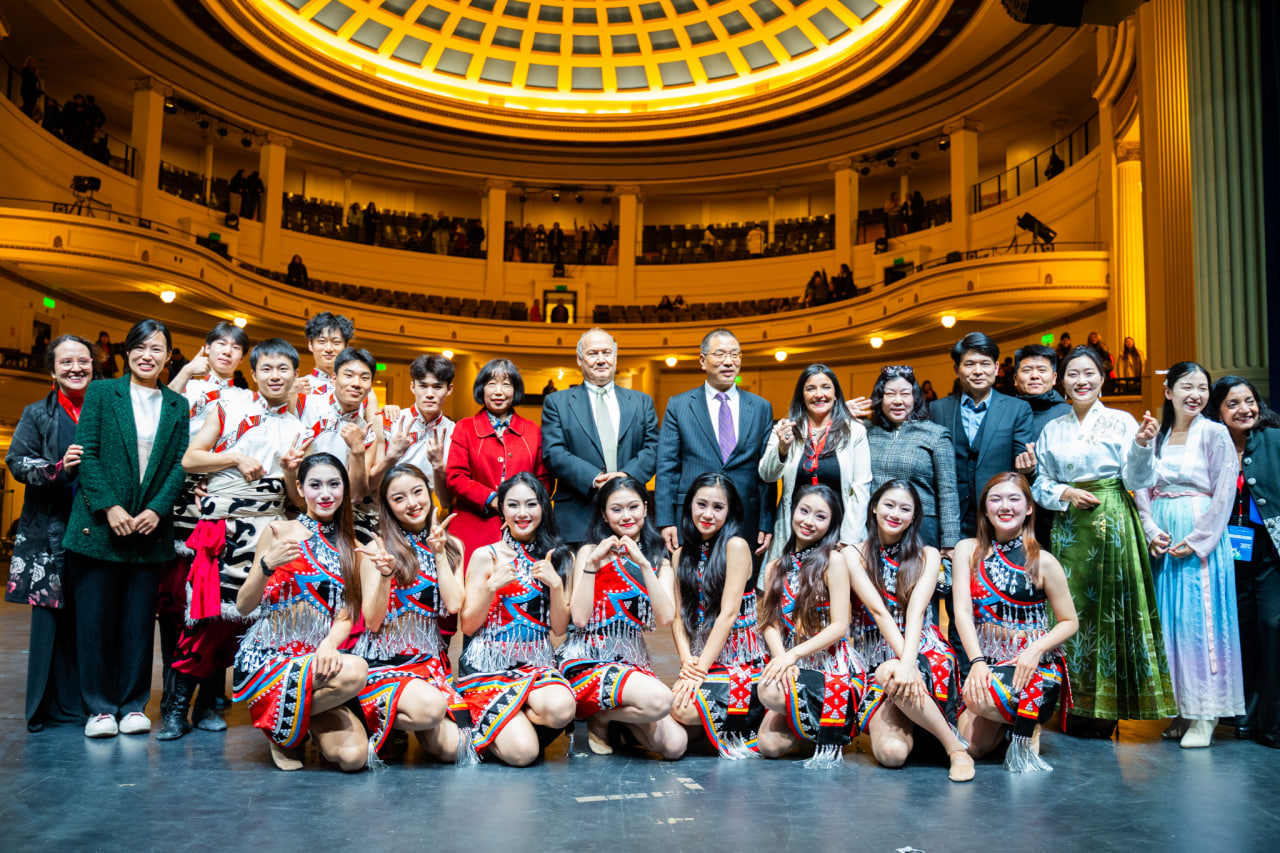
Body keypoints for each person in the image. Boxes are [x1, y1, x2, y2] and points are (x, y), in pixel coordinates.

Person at [160, 339, 303, 740]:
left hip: (268, 531)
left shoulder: (298, 427)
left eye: (283, 369)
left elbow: (294, 500)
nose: (276, 376)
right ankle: (175, 710)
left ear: (294, 375)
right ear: (254, 374)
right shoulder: (230, 408)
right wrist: (236, 458)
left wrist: (292, 473)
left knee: (243, 624)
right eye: (268, 369)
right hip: (222, 529)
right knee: (203, 621)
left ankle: (208, 706)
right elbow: (190, 459)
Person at [1031, 345, 1173, 737]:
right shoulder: (1053, 429)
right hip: (1070, 528)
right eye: (1073, 374)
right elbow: (1040, 482)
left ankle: (1107, 705)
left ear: (1103, 377)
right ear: (1061, 381)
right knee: (1067, 612)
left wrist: (1143, 444)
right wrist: (1064, 493)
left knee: (1110, 612)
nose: (1081, 381)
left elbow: (1138, 480)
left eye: (1089, 373)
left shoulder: (1123, 421)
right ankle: (1069, 704)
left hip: (1112, 523)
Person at [64, 319, 189, 738]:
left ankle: (133, 704)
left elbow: (178, 465)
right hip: (100, 528)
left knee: (138, 622)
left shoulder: (177, 405)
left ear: (168, 357)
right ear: (127, 352)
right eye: (139, 347)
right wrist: (109, 506)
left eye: (156, 348)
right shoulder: (102, 393)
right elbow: (88, 454)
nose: (147, 355)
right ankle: (99, 708)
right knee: (95, 621)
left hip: (150, 530)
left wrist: (158, 509)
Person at [232, 453, 371, 771]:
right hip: (270, 657)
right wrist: (267, 566)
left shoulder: (352, 545)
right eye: (315, 485)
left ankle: (286, 719)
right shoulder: (280, 531)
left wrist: (328, 644)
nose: (325, 494)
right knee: (356, 670)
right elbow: (243, 606)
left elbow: (346, 614)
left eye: (334, 484)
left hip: (316, 661)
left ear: (345, 490)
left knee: (353, 759)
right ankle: (280, 735)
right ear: (300, 487)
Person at [1135, 362, 1244, 748]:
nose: (1195, 394)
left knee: (1202, 623)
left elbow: (1224, 492)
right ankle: (1182, 708)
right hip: (1165, 534)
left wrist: (1199, 540)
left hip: (1201, 531)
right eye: (1187, 386)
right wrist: (1151, 529)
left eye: (1202, 387)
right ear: (1169, 392)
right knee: (1172, 623)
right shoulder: (1159, 434)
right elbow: (1140, 486)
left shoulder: (1215, 433)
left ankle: (1207, 712)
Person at [952, 473, 1079, 771]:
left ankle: (1030, 720)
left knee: (981, 702)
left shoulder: (1042, 560)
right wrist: (978, 663)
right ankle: (1018, 716)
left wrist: (1034, 651)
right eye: (995, 499)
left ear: (1029, 508)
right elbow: (962, 612)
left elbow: (1069, 622)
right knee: (973, 747)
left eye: (1014, 499)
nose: (1004, 506)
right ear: (985, 509)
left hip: (1032, 665)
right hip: (989, 659)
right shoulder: (966, 550)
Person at [849, 481, 972, 781]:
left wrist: (908, 662)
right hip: (872, 655)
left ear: (915, 517)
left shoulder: (928, 555)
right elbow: (878, 612)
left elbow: (916, 612)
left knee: (893, 672)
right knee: (891, 755)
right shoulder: (853, 555)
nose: (896, 513)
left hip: (922, 648)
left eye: (906, 509)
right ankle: (919, 725)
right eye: (889, 505)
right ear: (874, 506)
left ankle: (955, 748)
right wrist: (904, 665)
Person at [356, 464, 476, 767]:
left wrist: (438, 552)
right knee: (431, 709)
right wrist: (385, 576)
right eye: (398, 498)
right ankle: (383, 720)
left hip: (430, 663)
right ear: (387, 507)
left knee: (457, 750)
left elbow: (453, 605)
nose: (411, 503)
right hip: (384, 663)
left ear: (429, 491)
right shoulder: (378, 549)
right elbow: (371, 621)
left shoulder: (453, 546)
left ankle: (402, 721)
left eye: (417, 492)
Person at [930, 333, 1035, 674]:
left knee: (993, 605)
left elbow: (1021, 461)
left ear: (997, 368)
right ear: (958, 369)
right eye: (969, 364)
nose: (977, 371)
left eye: (985, 364)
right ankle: (956, 682)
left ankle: (998, 680)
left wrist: (1027, 469)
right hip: (952, 522)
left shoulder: (1016, 408)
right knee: (953, 603)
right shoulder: (937, 409)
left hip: (998, 524)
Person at [560, 476, 686, 758]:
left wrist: (642, 562)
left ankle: (607, 717)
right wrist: (593, 565)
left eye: (633, 507)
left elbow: (665, 617)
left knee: (676, 746)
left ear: (645, 508)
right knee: (661, 700)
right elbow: (578, 619)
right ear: (604, 515)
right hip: (588, 659)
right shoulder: (589, 552)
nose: (626, 516)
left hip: (632, 661)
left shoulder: (658, 560)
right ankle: (599, 717)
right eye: (616, 509)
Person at [6, 334, 94, 731]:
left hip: (99, 532)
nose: (76, 368)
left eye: (83, 360)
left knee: (91, 619)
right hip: (49, 534)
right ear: (52, 369)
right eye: (66, 362)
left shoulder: (106, 409)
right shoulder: (36, 413)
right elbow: (17, 462)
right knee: (50, 623)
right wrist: (59, 468)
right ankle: (45, 707)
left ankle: (91, 703)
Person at [456, 473, 576, 765]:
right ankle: (492, 721)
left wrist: (556, 586)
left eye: (531, 504)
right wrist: (490, 587)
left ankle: (509, 715)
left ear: (544, 508)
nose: (523, 513)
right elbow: (468, 625)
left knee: (562, 709)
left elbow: (559, 629)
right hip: (488, 667)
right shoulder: (486, 556)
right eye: (513, 505)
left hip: (537, 665)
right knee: (524, 755)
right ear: (502, 510)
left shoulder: (561, 558)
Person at [755, 485, 865, 767]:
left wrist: (793, 655)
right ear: (793, 511)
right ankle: (822, 728)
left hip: (831, 666)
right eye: (804, 511)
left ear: (831, 524)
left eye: (820, 516)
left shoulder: (834, 561)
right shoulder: (775, 566)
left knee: (768, 691)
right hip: (793, 663)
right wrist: (782, 658)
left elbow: (840, 625)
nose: (808, 521)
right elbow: (770, 623)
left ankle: (834, 722)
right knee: (768, 745)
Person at [667, 474, 767, 757]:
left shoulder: (736, 546)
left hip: (741, 660)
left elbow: (728, 614)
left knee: (680, 710)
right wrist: (687, 662)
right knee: (671, 715)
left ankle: (756, 717)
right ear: (689, 506)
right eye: (701, 504)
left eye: (717, 507)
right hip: (703, 658)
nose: (708, 514)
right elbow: (677, 618)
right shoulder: (681, 555)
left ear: (730, 512)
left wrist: (697, 672)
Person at [656, 329, 776, 558]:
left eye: (735, 354)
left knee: (740, 587)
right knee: (691, 586)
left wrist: (766, 521)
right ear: (703, 360)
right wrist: (665, 520)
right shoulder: (679, 405)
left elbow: (766, 472)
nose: (728, 361)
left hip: (744, 516)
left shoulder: (761, 407)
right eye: (720, 354)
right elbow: (667, 467)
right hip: (693, 517)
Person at [1207, 376, 1280, 747]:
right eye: (1233, 404)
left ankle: (1273, 722)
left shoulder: (1274, 439)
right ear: (1218, 410)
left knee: (1272, 625)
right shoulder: (1211, 445)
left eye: (1249, 401)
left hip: (1270, 553)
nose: (1244, 409)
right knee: (1241, 633)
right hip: (1227, 556)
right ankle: (1244, 719)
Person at [542, 329, 660, 546]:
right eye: (592, 353)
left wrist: (626, 477)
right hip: (577, 517)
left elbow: (653, 448)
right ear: (580, 359)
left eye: (607, 352)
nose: (601, 360)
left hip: (631, 519)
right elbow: (554, 452)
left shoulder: (642, 402)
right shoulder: (556, 403)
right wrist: (594, 478)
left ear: (615, 357)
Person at [759, 363, 870, 566]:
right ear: (802, 396)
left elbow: (860, 490)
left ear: (836, 394)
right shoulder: (785, 428)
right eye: (811, 388)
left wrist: (848, 541)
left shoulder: (855, 432)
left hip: (838, 534)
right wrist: (782, 449)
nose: (819, 394)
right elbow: (767, 475)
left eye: (826, 387)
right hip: (794, 533)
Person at [445, 359, 550, 566]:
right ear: (481, 389)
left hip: (524, 526)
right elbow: (455, 477)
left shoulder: (532, 430)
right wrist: (494, 500)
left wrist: (523, 507)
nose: (498, 391)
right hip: (472, 526)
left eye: (507, 384)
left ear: (516, 390)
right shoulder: (465, 428)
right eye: (491, 384)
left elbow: (543, 481)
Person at [852, 365, 961, 552]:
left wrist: (950, 544)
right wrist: (842, 417)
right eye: (889, 394)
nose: (897, 401)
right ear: (880, 398)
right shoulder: (864, 431)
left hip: (921, 529)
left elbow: (948, 492)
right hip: (873, 527)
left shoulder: (935, 434)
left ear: (915, 398)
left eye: (905, 394)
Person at [294, 347, 377, 540]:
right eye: (348, 375)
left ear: (370, 386)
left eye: (364, 378)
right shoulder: (306, 406)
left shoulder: (367, 431)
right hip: (298, 513)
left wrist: (357, 450)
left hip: (341, 522)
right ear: (333, 379)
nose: (356, 384)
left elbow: (355, 496)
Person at [371, 353, 455, 507]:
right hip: (389, 508)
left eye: (437, 387)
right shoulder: (390, 421)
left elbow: (447, 502)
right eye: (423, 386)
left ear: (449, 389)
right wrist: (393, 455)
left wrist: (438, 464)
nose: (429, 394)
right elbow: (370, 485)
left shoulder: (455, 432)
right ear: (412, 387)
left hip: (432, 513)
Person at [1012, 344, 1072, 546]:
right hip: (1012, 511)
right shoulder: (1005, 412)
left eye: (1042, 370)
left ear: (1054, 378)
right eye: (1027, 370)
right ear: (1015, 378)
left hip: (1056, 512)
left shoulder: (1068, 415)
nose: (1034, 376)